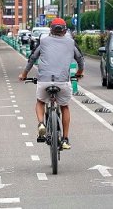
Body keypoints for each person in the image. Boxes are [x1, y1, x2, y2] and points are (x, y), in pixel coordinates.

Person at [19, 17, 84, 150]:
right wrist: (79, 72)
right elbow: (80, 59)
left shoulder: (43, 41)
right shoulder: (71, 42)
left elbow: (32, 58)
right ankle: (65, 139)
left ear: (51, 30)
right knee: (64, 106)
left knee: (40, 101)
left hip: (44, 80)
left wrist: (24, 74)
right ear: (65, 30)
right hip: (63, 81)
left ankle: (41, 123)